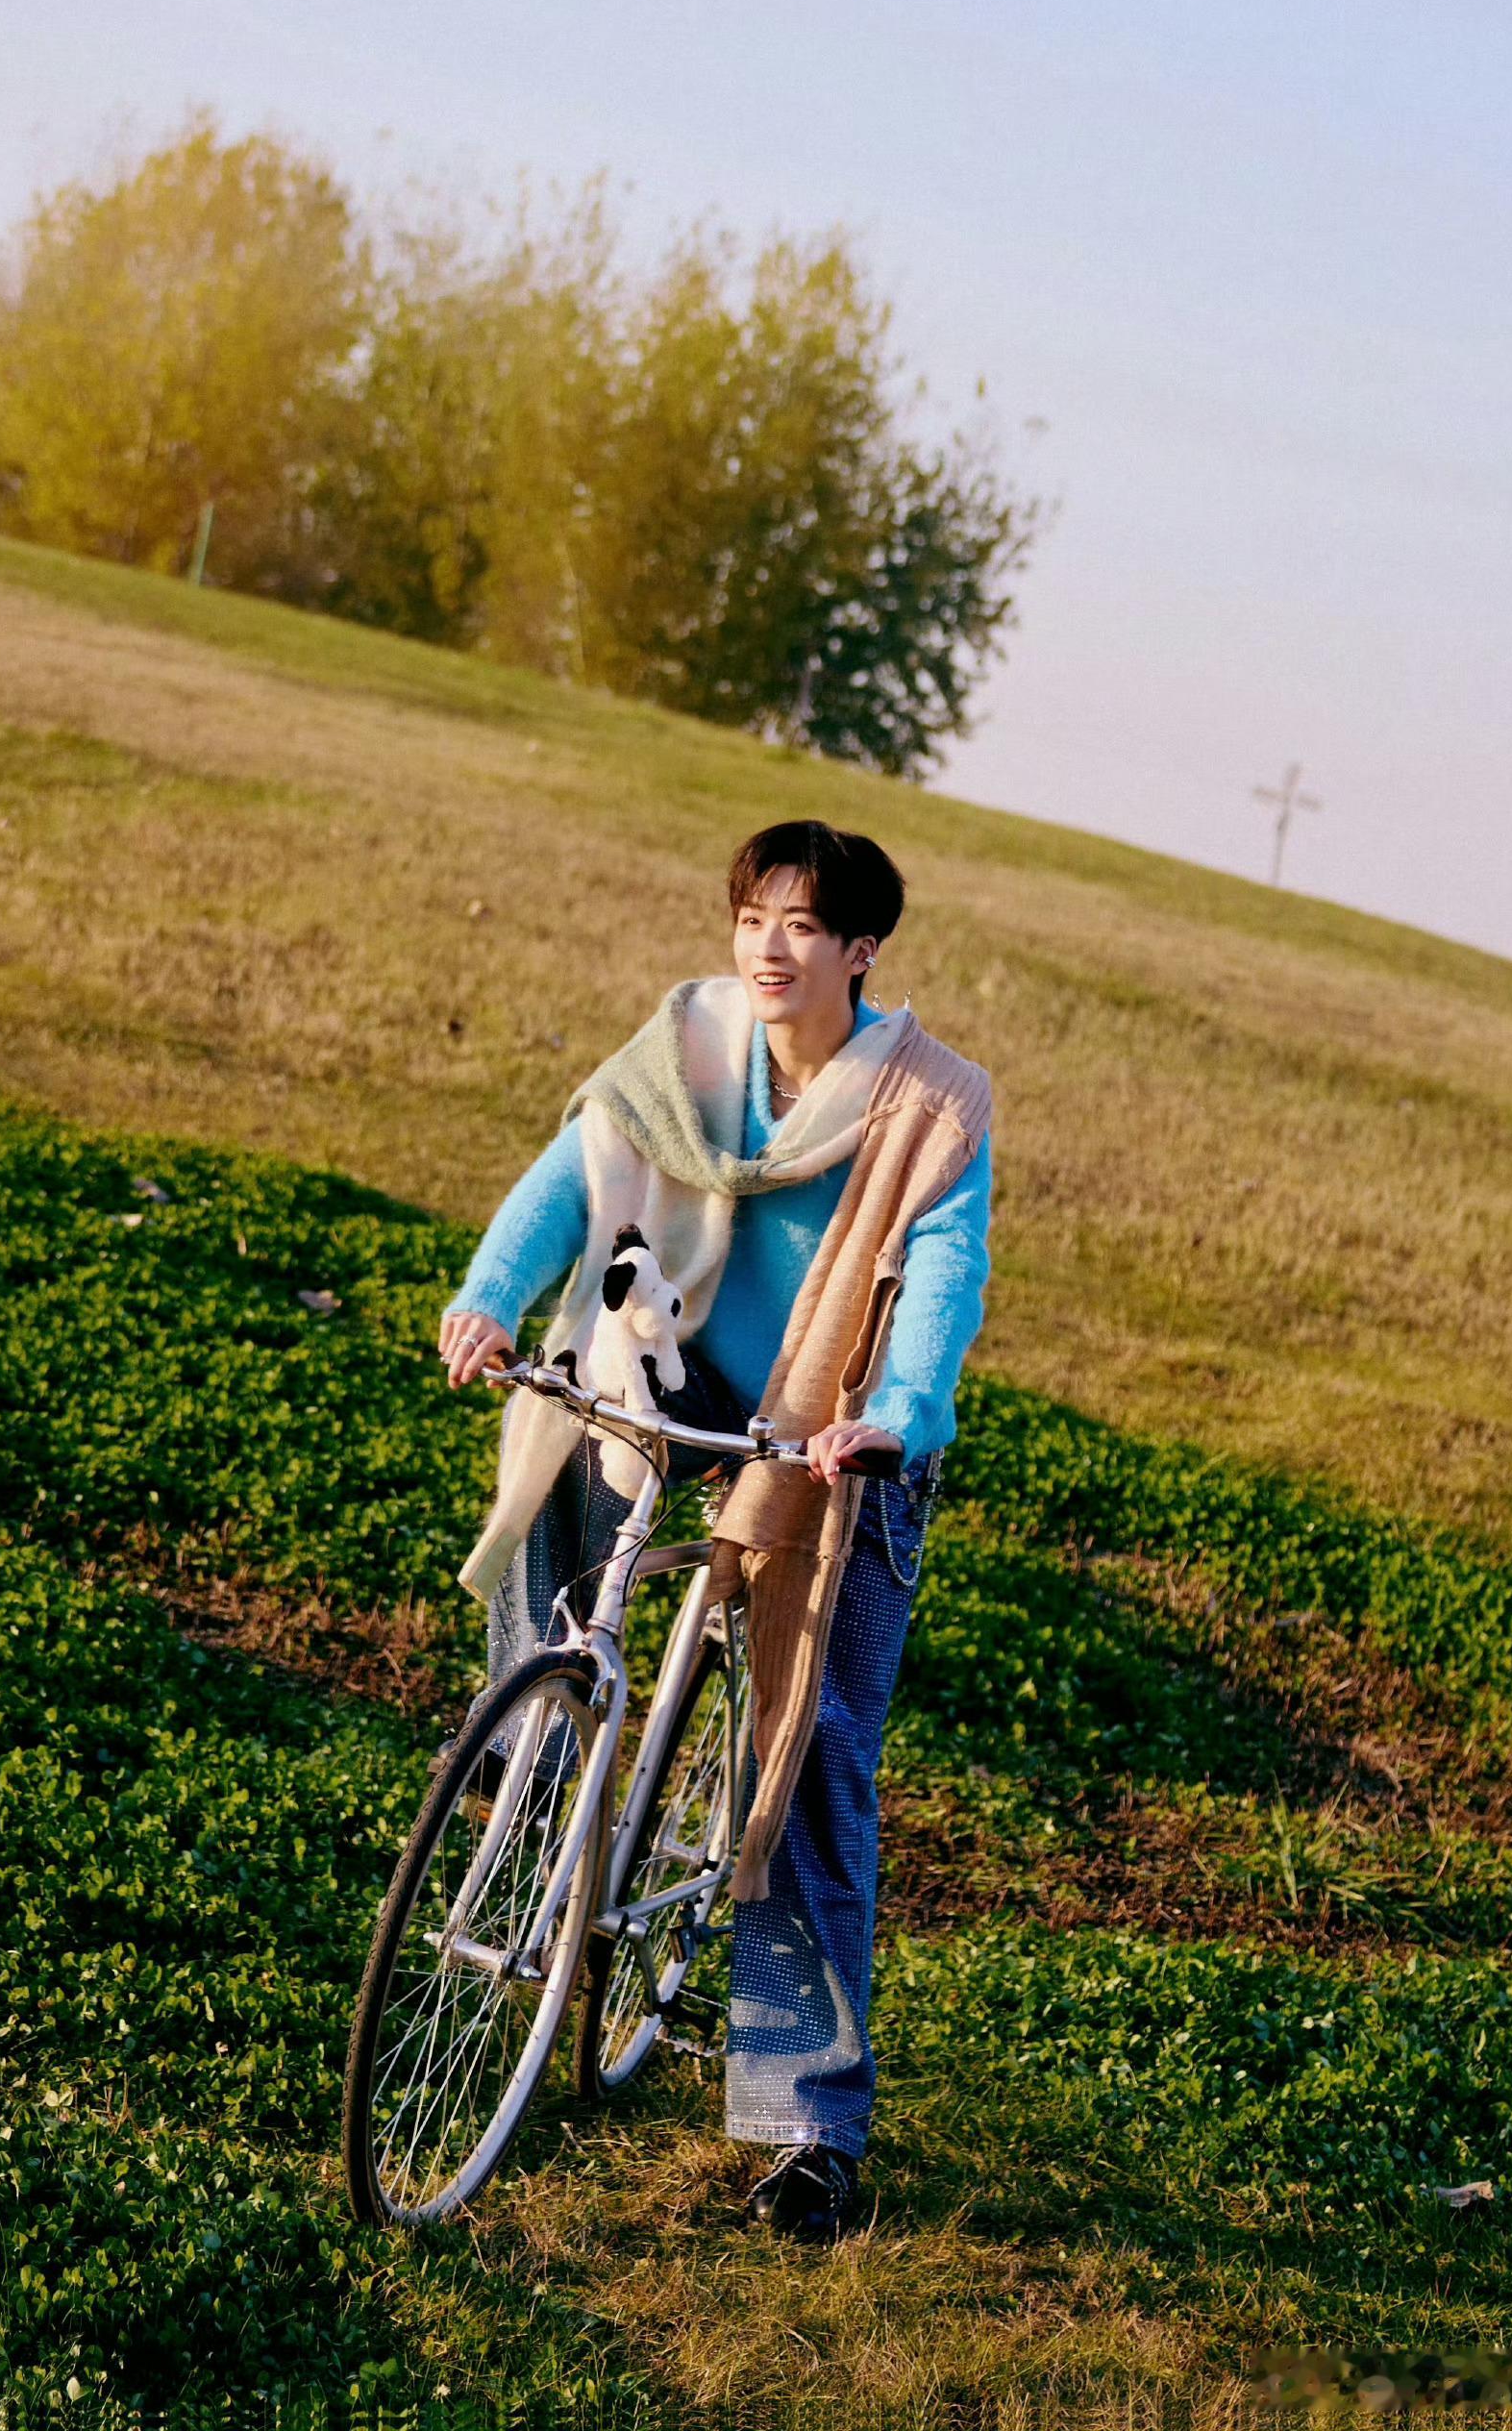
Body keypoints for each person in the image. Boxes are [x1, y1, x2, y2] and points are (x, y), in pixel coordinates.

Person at [438, 818, 993, 2244]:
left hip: (839, 1424)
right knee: (571, 1454)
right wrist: (498, 1292)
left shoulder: (931, 1104)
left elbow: (939, 1275)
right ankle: (544, 1773)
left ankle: (813, 2136)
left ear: (861, 952)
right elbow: (578, 1171)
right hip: (676, 1368)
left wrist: (902, 1413)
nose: (768, 945)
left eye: (803, 925)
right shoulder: (686, 1045)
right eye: (754, 915)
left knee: (808, 1761)